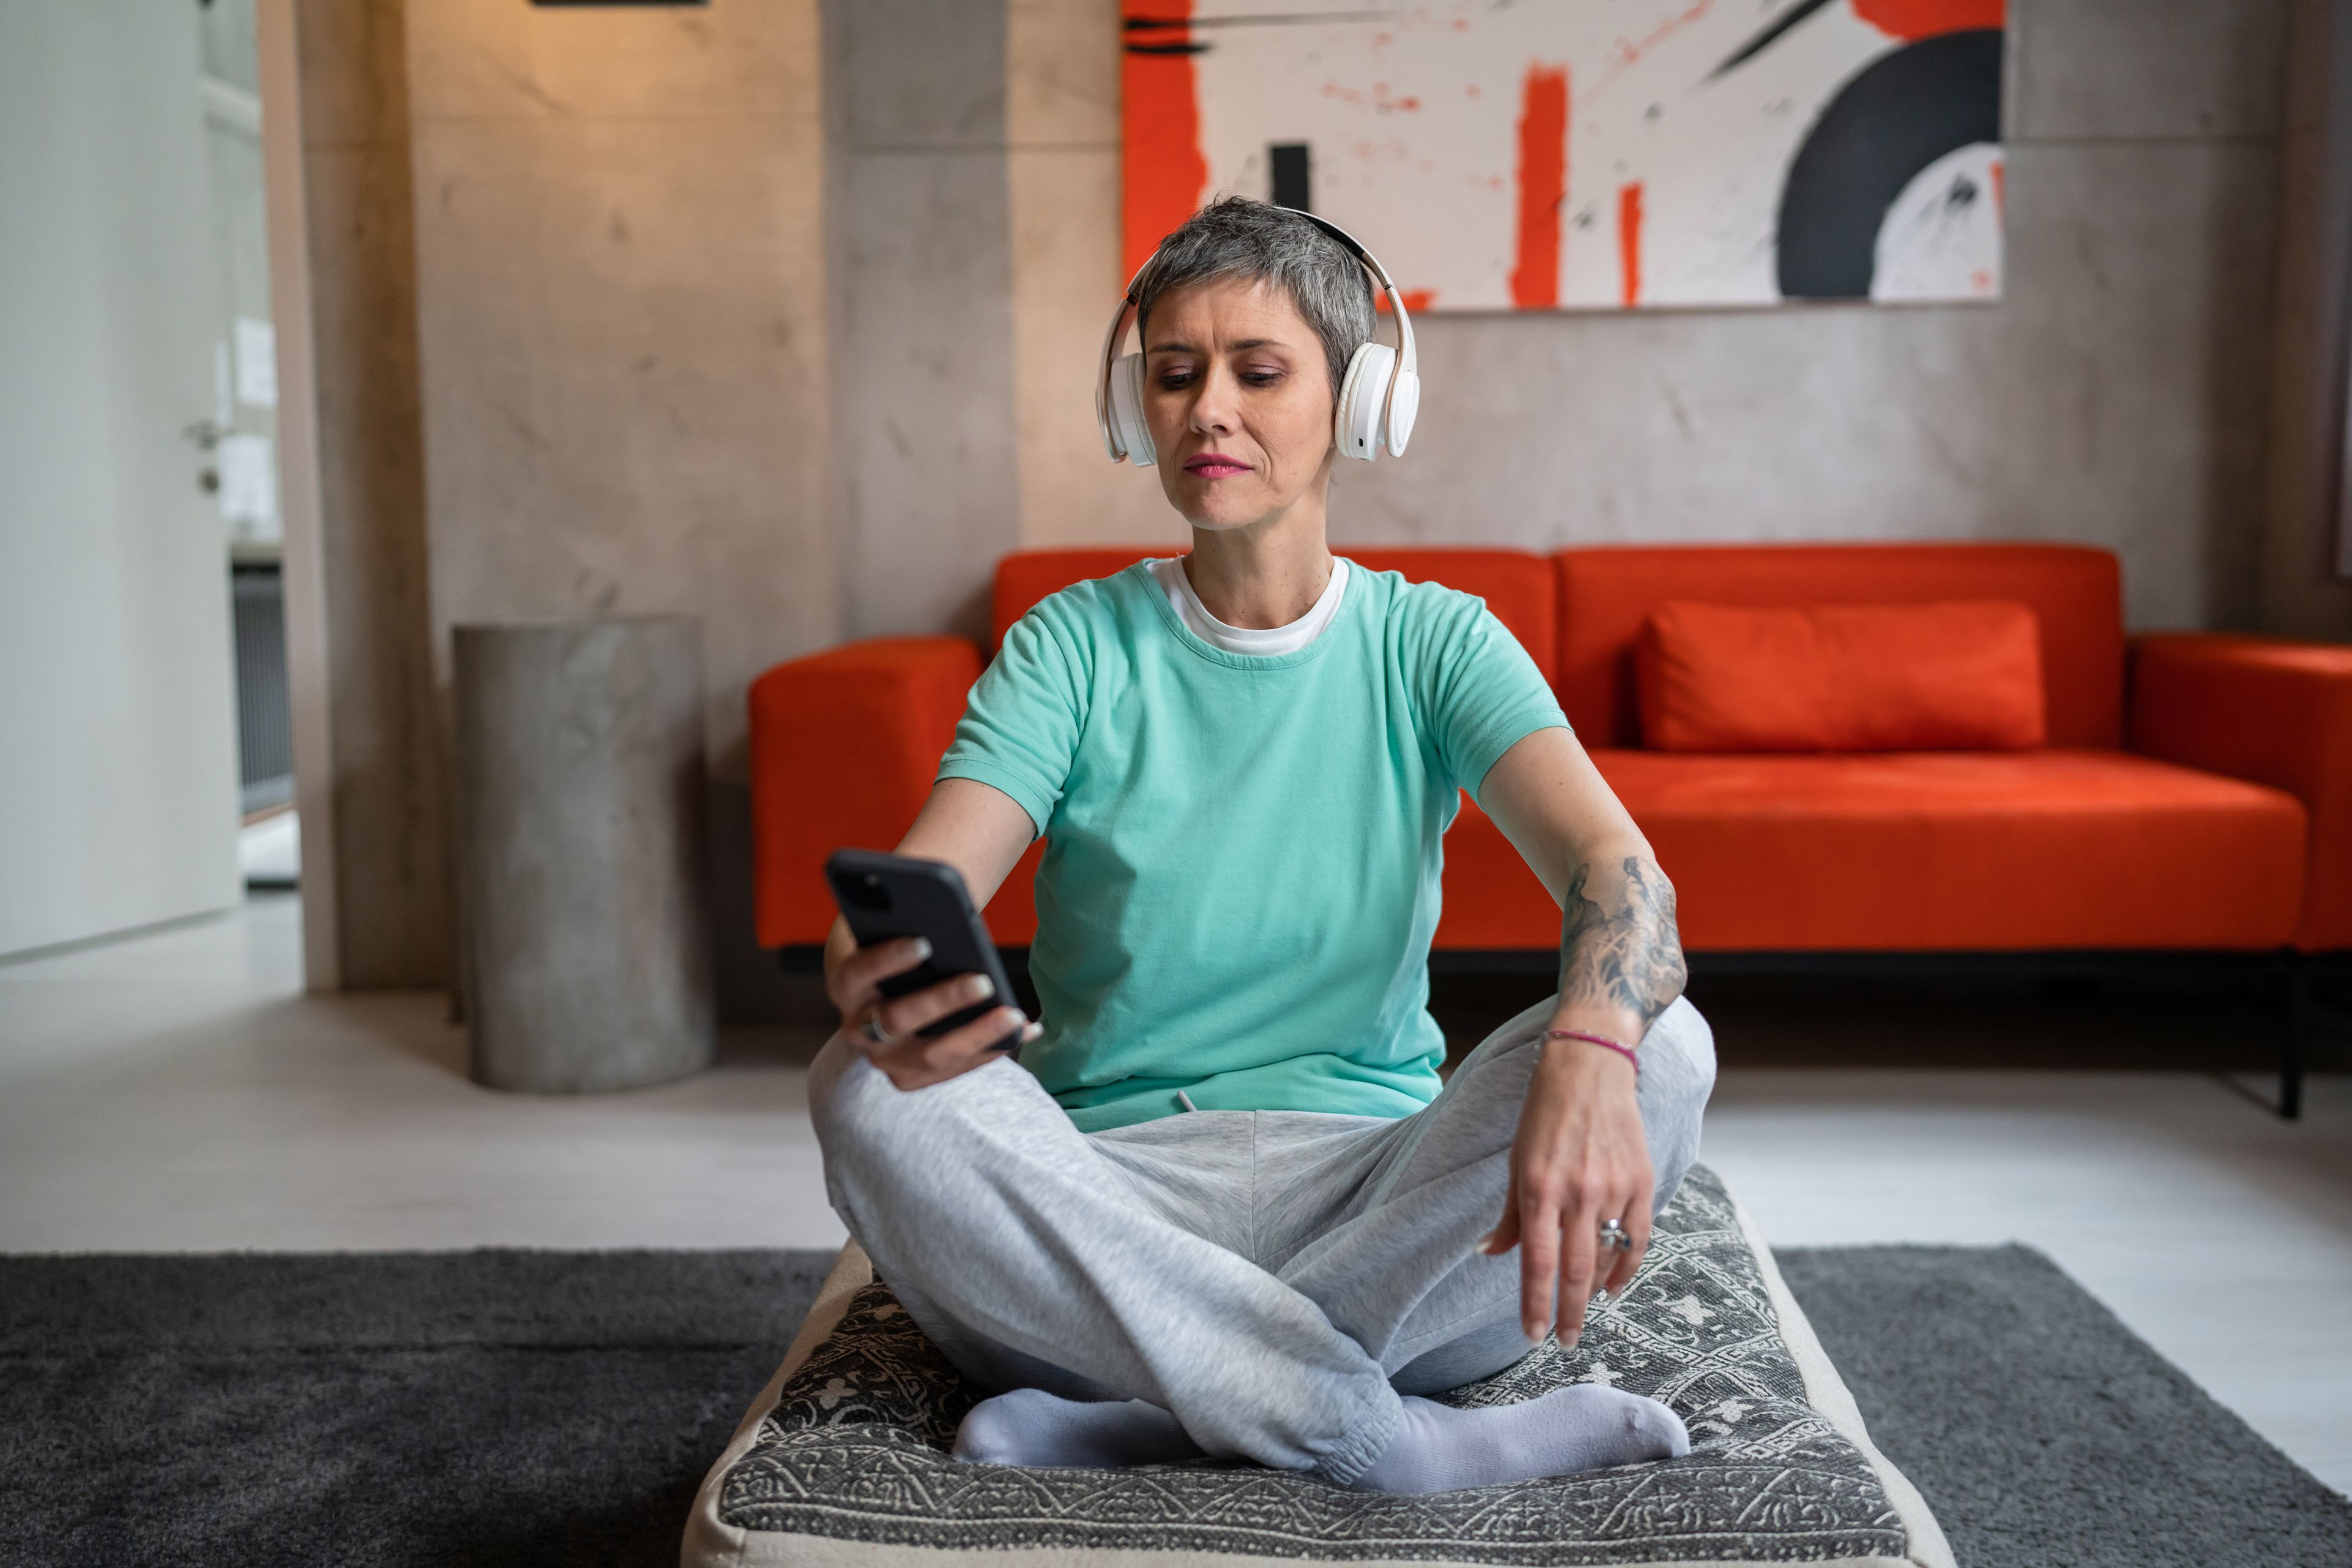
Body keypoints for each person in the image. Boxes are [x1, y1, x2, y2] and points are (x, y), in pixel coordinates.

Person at [808, 197, 1715, 1494]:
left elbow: (1622, 877)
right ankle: (1371, 1430)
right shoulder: (1072, 643)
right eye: (1173, 375)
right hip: (1103, 1203)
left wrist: (1591, 1043)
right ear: (1136, 412)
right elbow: (919, 890)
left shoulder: (1436, 641)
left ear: (1360, 402)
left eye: (1258, 370)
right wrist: (874, 969)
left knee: (1665, 1043)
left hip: (1373, 1199)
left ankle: (1181, 1404)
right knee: (858, 1082)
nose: (1207, 410)